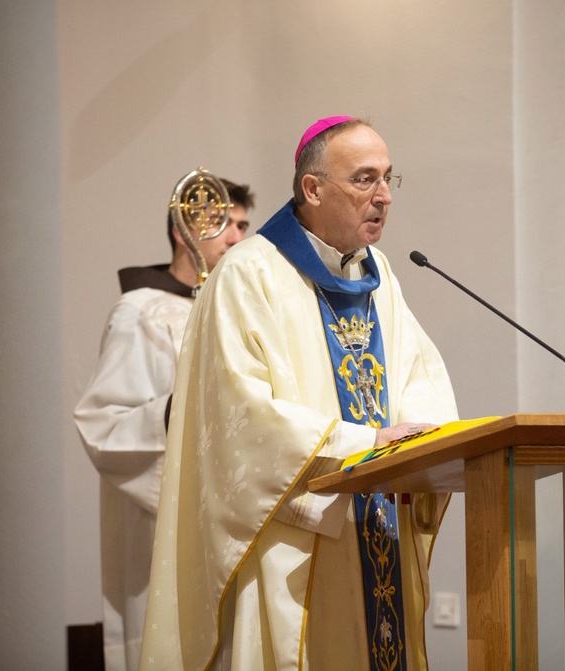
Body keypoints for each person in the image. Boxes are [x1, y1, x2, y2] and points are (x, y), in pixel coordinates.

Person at [138, 117, 458, 670]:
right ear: (313, 188)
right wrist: (365, 443)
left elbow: (416, 374)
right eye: (364, 179)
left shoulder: (378, 274)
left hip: (374, 527)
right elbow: (239, 416)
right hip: (295, 546)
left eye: (388, 178)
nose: (384, 196)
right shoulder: (249, 274)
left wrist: (420, 442)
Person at [73, 177, 254, 671]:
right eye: (223, 223)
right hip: (165, 530)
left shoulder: (235, 310)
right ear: (183, 230)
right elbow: (102, 423)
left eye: (242, 226)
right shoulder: (141, 312)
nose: (236, 237)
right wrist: (181, 410)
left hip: (231, 523)